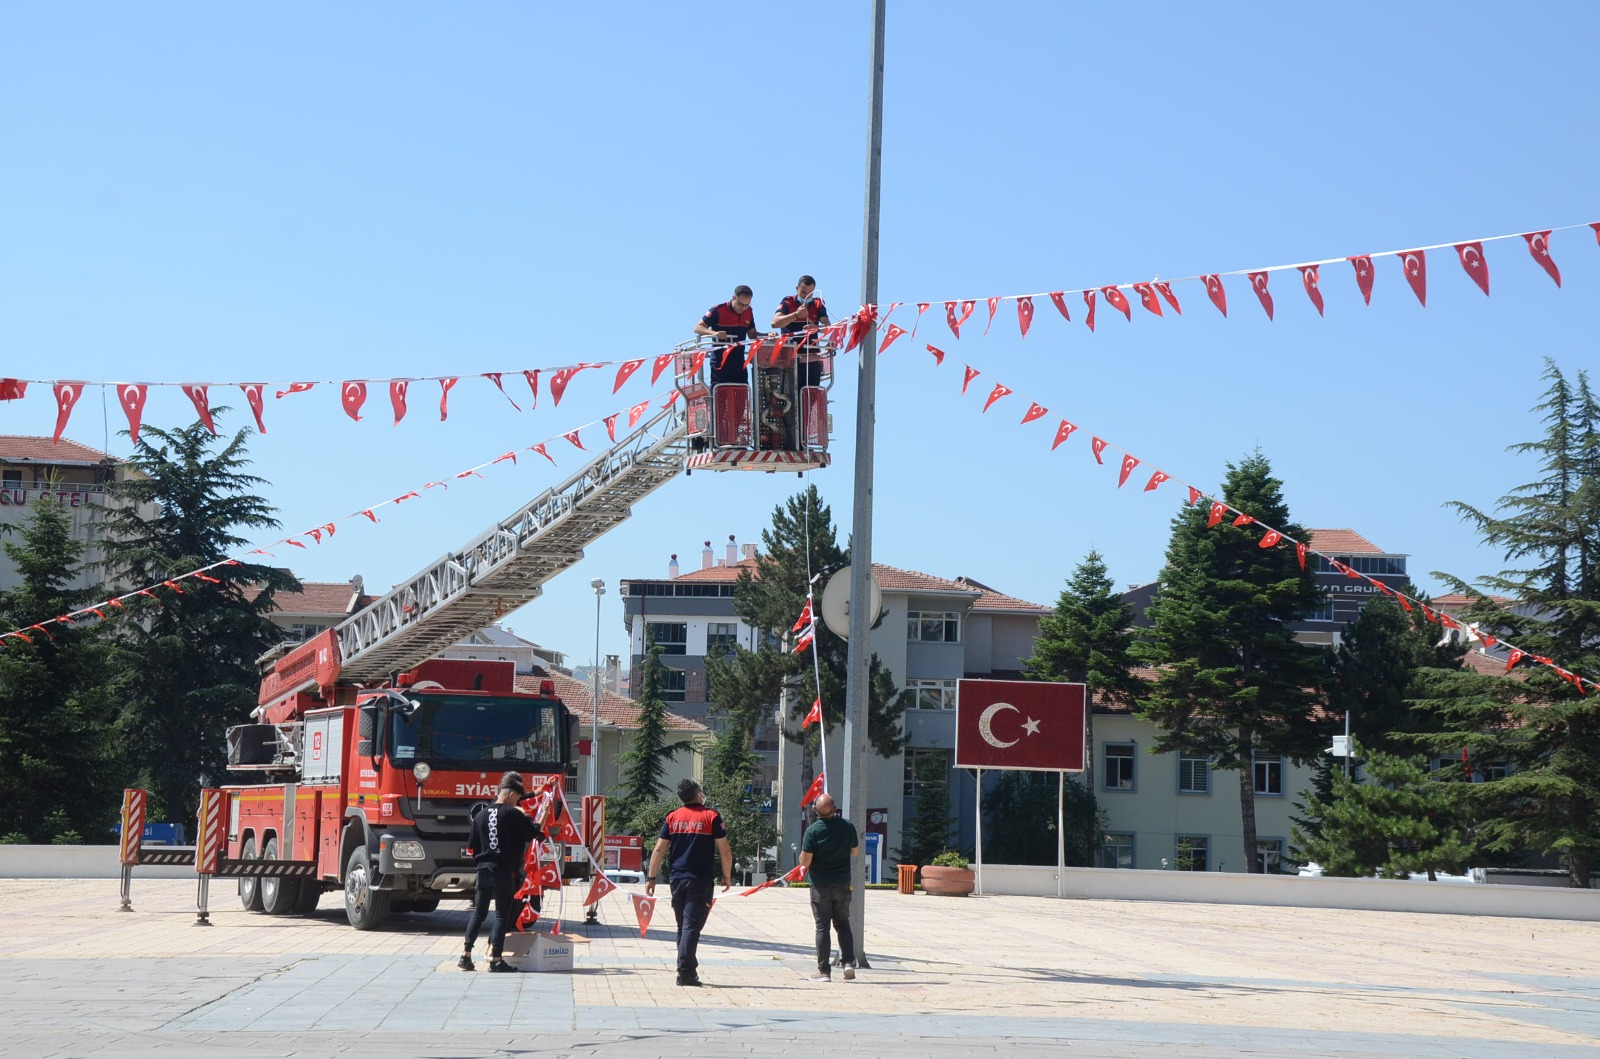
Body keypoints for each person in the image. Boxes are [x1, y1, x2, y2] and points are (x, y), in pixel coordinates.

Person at [646, 778, 733, 987]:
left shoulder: (673, 817)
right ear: (698, 794)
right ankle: (685, 972)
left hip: (676, 879)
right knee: (691, 927)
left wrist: (651, 877)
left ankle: (687, 968)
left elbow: (659, 849)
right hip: (700, 880)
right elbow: (725, 850)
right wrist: (726, 875)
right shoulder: (711, 817)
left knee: (683, 926)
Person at [460, 771, 543, 973]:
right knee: (501, 916)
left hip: (483, 870)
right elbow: (534, 833)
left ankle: (466, 956)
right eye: (517, 799)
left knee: (479, 913)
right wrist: (544, 812)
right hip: (503, 871)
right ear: (512, 795)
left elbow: (471, 847)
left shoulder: (479, 816)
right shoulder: (512, 813)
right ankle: (496, 960)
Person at [797, 792, 859, 982]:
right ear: (835, 809)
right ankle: (848, 963)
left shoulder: (813, 831)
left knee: (822, 927)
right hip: (843, 883)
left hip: (820, 885)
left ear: (815, 810)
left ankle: (824, 971)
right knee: (843, 923)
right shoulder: (848, 827)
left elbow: (805, 861)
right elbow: (855, 853)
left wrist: (803, 859)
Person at [695, 285, 766, 388]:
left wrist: (767, 335)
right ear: (734, 298)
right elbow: (698, 327)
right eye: (740, 304)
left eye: (746, 305)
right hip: (720, 362)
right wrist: (714, 333)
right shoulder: (718, 310)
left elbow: (752, 334)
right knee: (721, 394)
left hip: (739, 362)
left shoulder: (748, 312)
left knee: (742, 393)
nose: (743, 308)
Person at [772, 275, 830, 389]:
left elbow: (828, 326)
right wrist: (795, 315)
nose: (806, 296)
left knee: (811, 396)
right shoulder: (787, 302)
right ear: (797, 288)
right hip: (789, 360)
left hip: (811, 359)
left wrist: (817, 328)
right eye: (803, 292)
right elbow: (775, 323)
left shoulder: (818, 303)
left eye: (810, 293)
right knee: (791, 396)